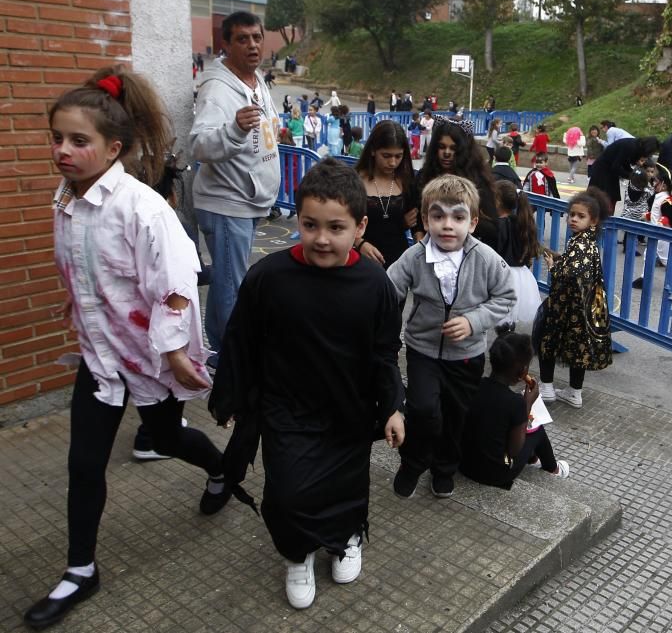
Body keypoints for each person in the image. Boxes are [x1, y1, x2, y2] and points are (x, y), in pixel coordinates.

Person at [24, 66, 231, 631]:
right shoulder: (63, 199)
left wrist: (173, 354)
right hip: (99, 361)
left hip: (148, 361)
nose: (63, 151)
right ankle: (80, 570)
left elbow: (175, 285)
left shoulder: (144, 209)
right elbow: (84, 277)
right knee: (84, 465)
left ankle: (221, 468)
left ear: (113, 148)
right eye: (57, 138)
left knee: (167, 437)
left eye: (79, 140)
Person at [209, 158, 406, 610]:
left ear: (360, 227)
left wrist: (393, 406)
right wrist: (232, 397)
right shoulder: (268, 277)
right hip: (286, 406)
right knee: (287, 490)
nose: (321, 238)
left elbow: (383, 351)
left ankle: (346, 538)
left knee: (346, 483)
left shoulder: (375, 283)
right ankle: (297, 553)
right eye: (310, 225)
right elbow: (241, 338)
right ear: (297, 220)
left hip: (349, 408)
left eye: (335, 227)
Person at [387, 175, 516, 499]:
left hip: (467, 355)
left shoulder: (485, 258)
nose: (447, 225)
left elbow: (506, 297)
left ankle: (444, 469)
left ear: (472, 222)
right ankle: (414, 462)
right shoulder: (415, 256)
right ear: (426, 218)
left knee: (456, 416)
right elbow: (387, 288)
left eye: (457, 217)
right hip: (422, 349)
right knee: (424, 410)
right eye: (438, 216)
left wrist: (473, 321)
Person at [190, 11, 280, 367]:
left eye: (257, 37)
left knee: (230, 278)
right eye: (242, 39)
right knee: (230, 283)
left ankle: (223, 346)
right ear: (225, 44)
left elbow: (262, 128)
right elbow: (199, 145)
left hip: (250, 198)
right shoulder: (216, 89)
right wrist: (234, 132)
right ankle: (229, 356)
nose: (253, 45)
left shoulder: (256, 79)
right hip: (227, 201)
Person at [460, 332, 570, 490]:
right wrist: (528, 404)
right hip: (495, 474)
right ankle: (554, 469)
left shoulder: (474, 386)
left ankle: (533, 460)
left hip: (464, 464)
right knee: (536, 429)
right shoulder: (515, 403)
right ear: (521, 373)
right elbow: (514, 450)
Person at [538, 188, 613, 409]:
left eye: (580, 216)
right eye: (572, 215)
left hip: (567, 306)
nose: (573, 219)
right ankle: (574, 392)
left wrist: (553, 268)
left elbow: (571, 274)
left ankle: (547, 388)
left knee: (547, 341)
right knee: (578, 349)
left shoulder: (580, 243)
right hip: (584, 308)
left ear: (593, 220)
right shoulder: (586, 241)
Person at [419, 119, 501, 250]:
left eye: (453, 148)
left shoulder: (478, 181)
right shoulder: (424, 176)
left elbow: (492, 227)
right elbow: (417, 218)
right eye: (441, 147)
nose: (447, 153)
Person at [354, 120, 420, 268]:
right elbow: (341, 222)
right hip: (362, 262)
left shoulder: (407, 181)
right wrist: (359, 243)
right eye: (386, 155)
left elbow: (416, 225)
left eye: (398, 156)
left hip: (397, 263)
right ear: (372, 150)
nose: (392, 162)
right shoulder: (354, 180)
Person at [494, 180, 542, 325]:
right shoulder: (524, 223)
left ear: (497, 201)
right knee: (509, 317)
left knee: (497, 315)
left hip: (501, 274)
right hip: (522, 277)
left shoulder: (497, 226)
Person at [590, 135, 659, 207]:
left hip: (610, 171)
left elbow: (625, 163)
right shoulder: (630, 146)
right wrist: (632, 176)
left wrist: (634, 174)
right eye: (651, 152)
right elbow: (616, 166)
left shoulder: (634, 145)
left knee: (613, 197)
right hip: (602, 171)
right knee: (603, 199)